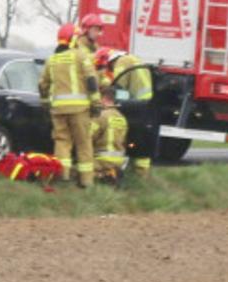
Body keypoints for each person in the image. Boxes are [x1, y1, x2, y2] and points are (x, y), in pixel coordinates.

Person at [39, 23, 96, 187]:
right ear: (72, 39)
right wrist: (96, 102)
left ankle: (62, 177)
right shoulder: (80, 56)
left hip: (58, 110)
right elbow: (91, 80)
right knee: (83, 143)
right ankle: (86, 182)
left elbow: (43, 84)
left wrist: (45, 103)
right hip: (80, 110)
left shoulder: (52, 59)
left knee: (62, 142)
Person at [95, 47, 156, 178]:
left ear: (109, 60)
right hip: (146, 104)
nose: (109, 70)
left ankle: (134, 172)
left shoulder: (121, 62)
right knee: (142, 139)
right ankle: (142, 175)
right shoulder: (133, 59)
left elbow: (118, 86)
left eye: (108, 67)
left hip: (138, 103)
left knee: (131, 134)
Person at [89, 83, 129, 185]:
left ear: (103, 98)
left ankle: (104, 175)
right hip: (120, 160)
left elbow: (87, 137)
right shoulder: (122, 118)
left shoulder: (101, 116)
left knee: (79, 169)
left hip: (102, 159)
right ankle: (112, 172)